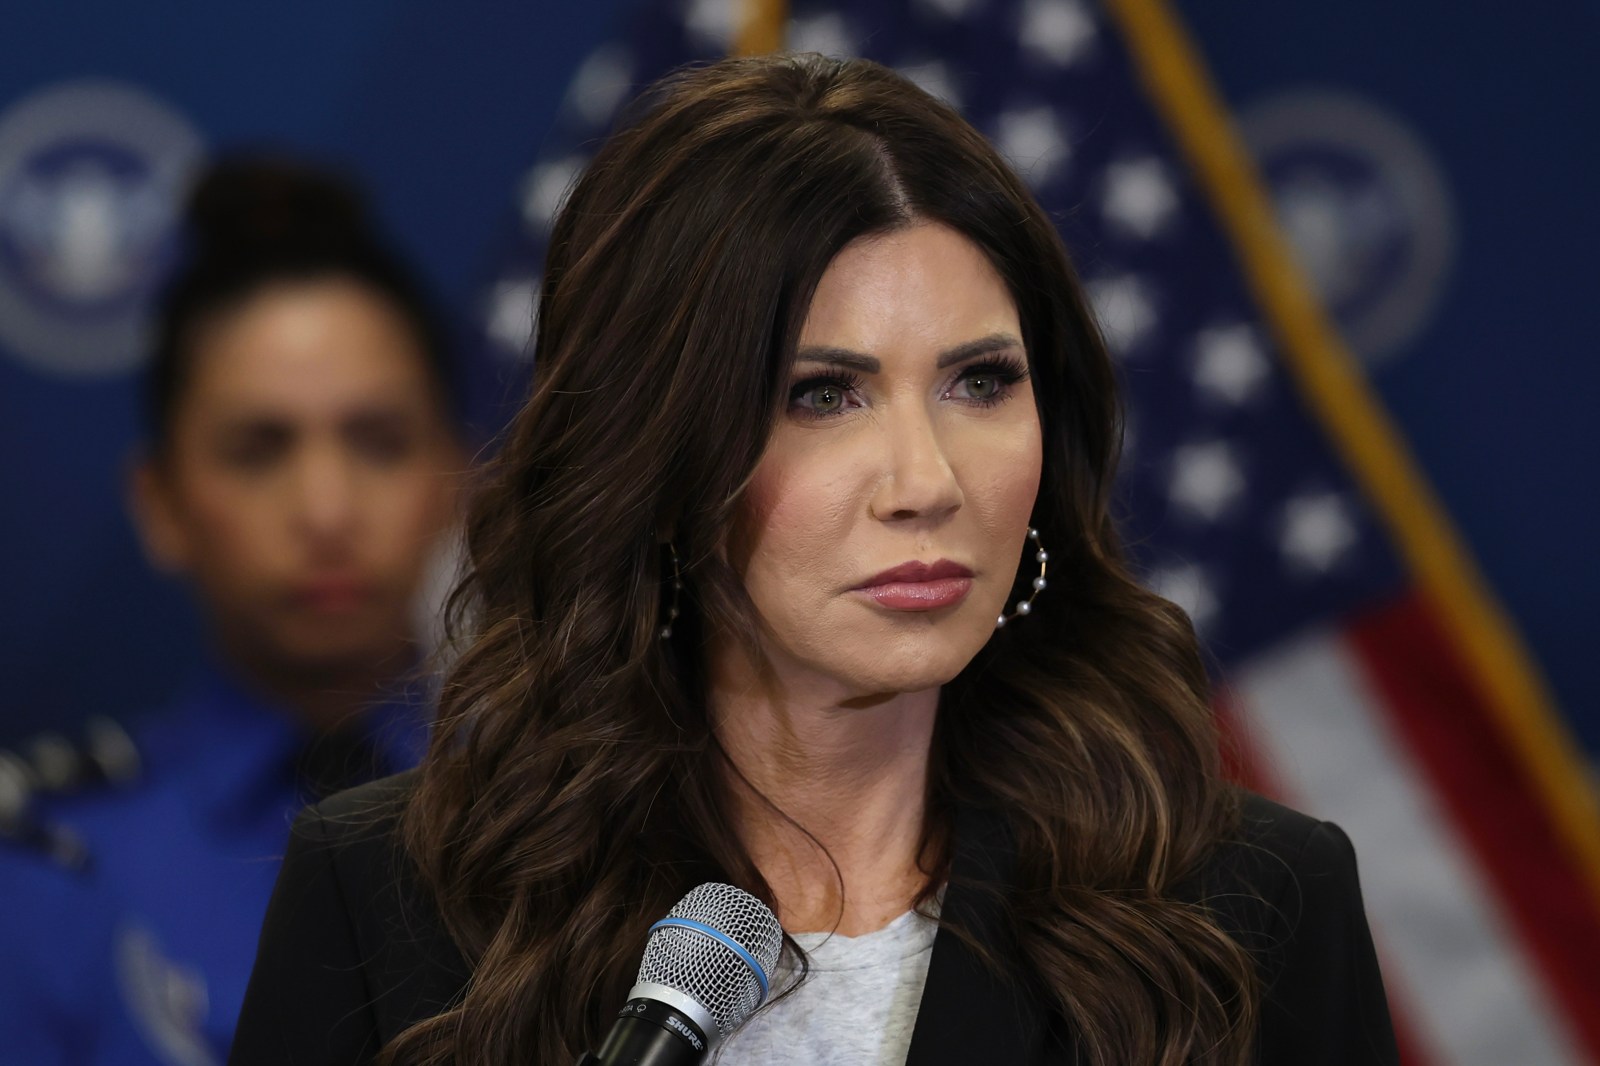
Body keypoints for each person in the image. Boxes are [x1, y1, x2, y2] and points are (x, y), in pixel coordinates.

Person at [230, 54, 1398, 1066]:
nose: (926, 480)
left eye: (980, 382)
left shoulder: (1253, 908)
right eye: (821, 395)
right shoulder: (387, 900)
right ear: (661, 459)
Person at [0, 156, 465, 1066]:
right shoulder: (44, 863)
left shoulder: (577, 826)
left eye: (379, 442)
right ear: (161, 503)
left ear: (460, 479)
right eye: (259, 449)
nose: (326, 511)